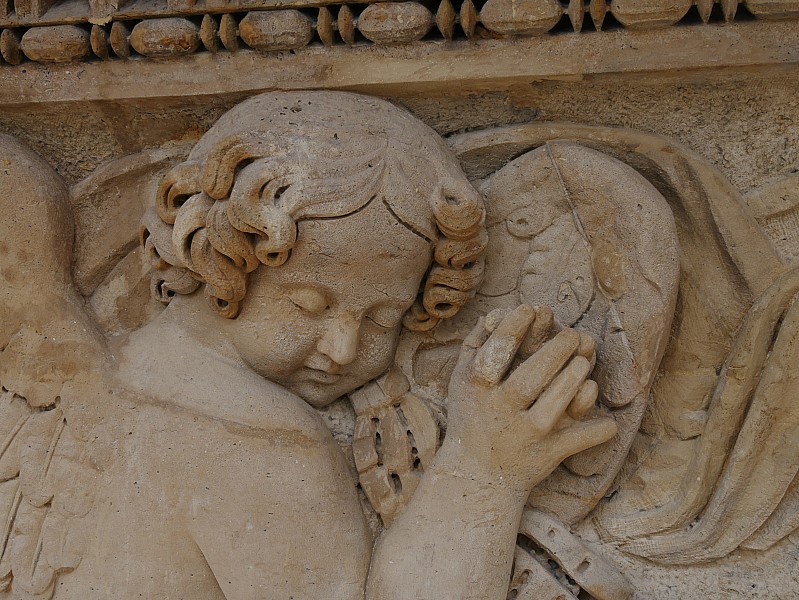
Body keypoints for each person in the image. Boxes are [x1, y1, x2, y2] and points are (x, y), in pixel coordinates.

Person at [2, 92, 617, 599]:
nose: (345, 348)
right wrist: (485, 469)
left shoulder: (64, 381)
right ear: (218, 261)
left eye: (385, 318)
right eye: (308, 304)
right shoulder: (266, 448)